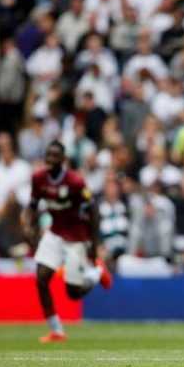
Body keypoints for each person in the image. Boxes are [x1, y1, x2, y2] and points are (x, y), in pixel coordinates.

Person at [24, 141, 113, 343]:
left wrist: (93, 243)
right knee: (41, 278)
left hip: (76, 237)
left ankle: (97, 272)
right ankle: (56, 330)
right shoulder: (38, 179)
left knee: (73, 293)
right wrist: (29, 226)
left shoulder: (75, 182)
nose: (49, 160)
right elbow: (32, 205)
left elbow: (93, 210)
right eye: (48, 156)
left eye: (54, 156)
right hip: (55, 232)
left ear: (63, 160)